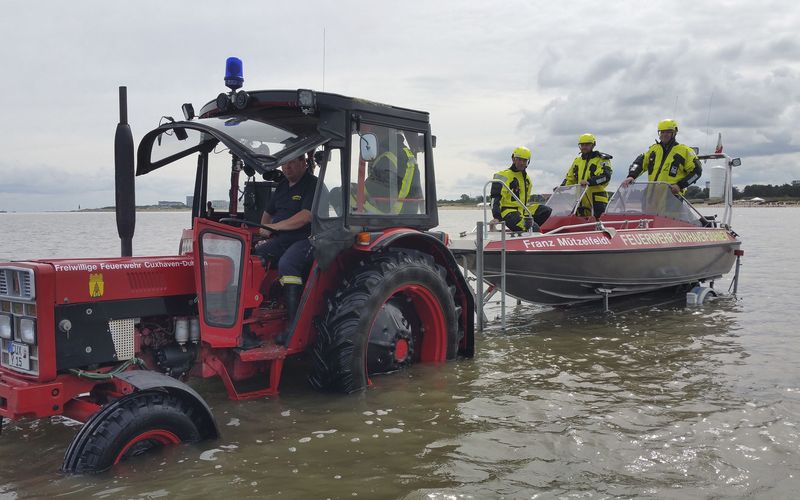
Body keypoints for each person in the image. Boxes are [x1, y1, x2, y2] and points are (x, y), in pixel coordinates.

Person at [252, 154, 317, 345]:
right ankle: (253, 314)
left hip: (307, 239)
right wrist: (265, 230)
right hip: (281, 238)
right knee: (254, 257)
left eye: (291, 163)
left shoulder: (313, 185)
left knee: (287, 264)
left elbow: (306, 216)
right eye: (284, 164)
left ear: (303, 163)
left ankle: (294, 327)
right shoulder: (281, 186)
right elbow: (267, 213)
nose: (286, 167)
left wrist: (276, 227)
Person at [621, 119, 702, 195]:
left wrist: (680, 185)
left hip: (672, 198)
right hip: (651, 197)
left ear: (674, 133)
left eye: (668, 132)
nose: (664, 134)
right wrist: (631, 176)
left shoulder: (685, 151)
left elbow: (697, 172)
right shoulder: (653, 150)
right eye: (662, 132)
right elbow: (639, 162)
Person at [356, 129, 422, 215]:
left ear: (384, 132)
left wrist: (357, 188)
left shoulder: (388, 157)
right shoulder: (403, 152)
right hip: (404, 212)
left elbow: (380, 190)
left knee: (338, 194)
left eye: (374, 133)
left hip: (392, 213)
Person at [490, 146, 552, 232]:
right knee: (534, 229)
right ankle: (531, 229)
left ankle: (527, 229)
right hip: (508, 212)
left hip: (523, 210)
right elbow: (495, 198)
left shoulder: (527, 180)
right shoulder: (503, 176)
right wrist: (496, 217)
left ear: (528, 162)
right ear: (513, 159)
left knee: (546, 210)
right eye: (519, 159)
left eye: (524, 160)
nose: (522, 163)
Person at [560, 133, 612, 218]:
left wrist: (589, 181)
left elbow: (605, 177)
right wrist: (561, 188)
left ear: (593, 145)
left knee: (598, 224)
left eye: (587, 144)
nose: (584, 147)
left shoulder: (601, 159)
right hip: (579, 199)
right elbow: (569, 179)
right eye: (582, 145)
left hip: (597, 200)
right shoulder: (577, 161)